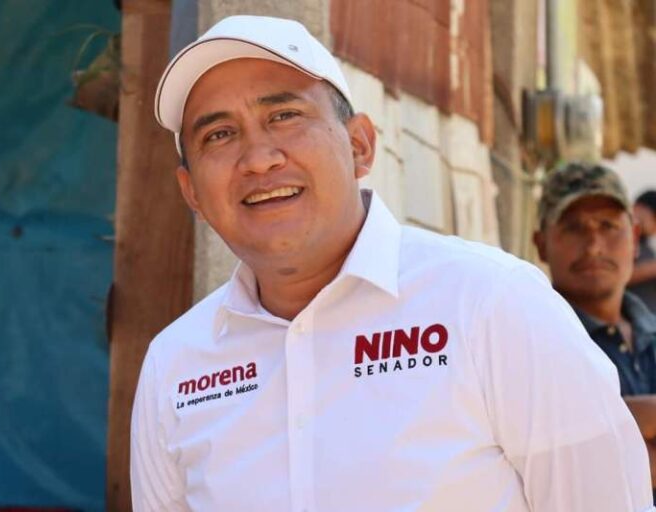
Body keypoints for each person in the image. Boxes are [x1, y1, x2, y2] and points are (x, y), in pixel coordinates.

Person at [130, 15, 653, 511]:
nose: (259, 158)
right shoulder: (174, 365)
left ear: (359, 145)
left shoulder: (493, 304)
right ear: (191, 191)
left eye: (284, 116)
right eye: (219, 135)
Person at [533, 162, 656, 500]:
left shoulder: (650, 332)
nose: (594, 246)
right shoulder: (529, 341)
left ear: (634, 237)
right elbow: (554, 469)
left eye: (608, 225)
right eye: (573, 228)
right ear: (541, 243)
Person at [629, 190, 656, 311]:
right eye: (654, 218)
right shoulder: (621, 239)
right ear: (638, 208)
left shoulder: (646, 248)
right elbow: (609, 279)